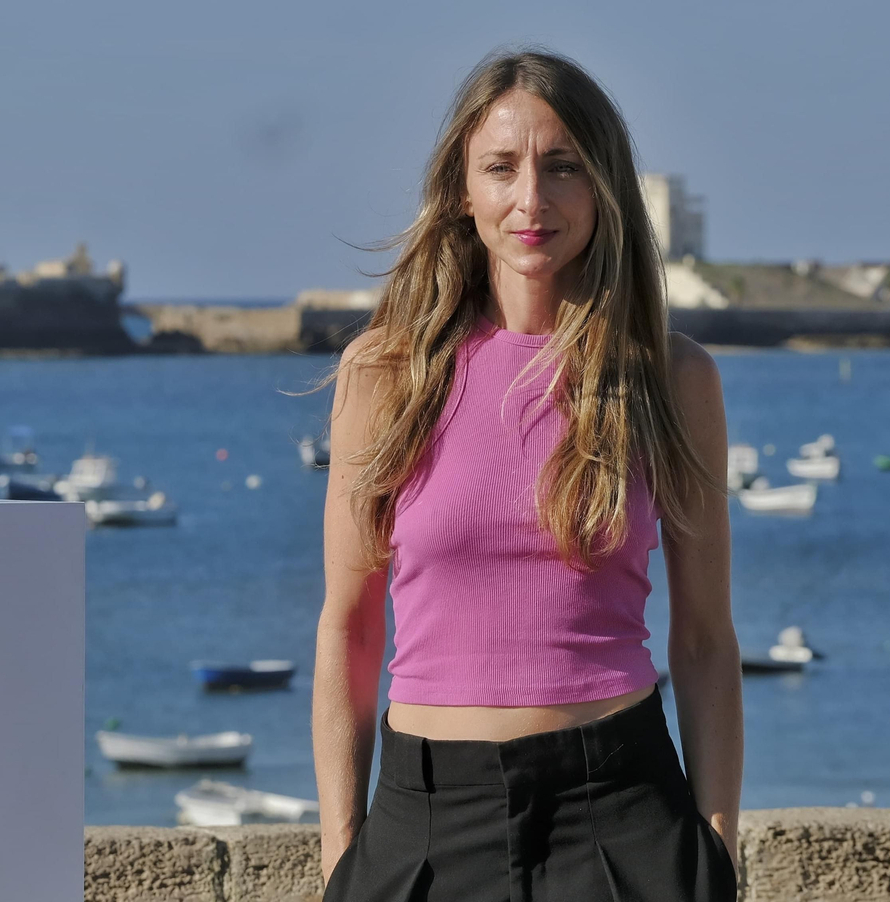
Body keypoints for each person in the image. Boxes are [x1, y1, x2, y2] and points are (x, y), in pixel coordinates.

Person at [312, 48, 742, 902]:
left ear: (604, 186)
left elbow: (701, 638)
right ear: (461, 189)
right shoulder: (386, 374)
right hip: (426, 822)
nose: (531, 201)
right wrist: (343, 852)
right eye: (501, 168)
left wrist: (718, 850)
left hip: (622, 814)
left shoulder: (670, 377)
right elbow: (349, 631)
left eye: (563, 167)